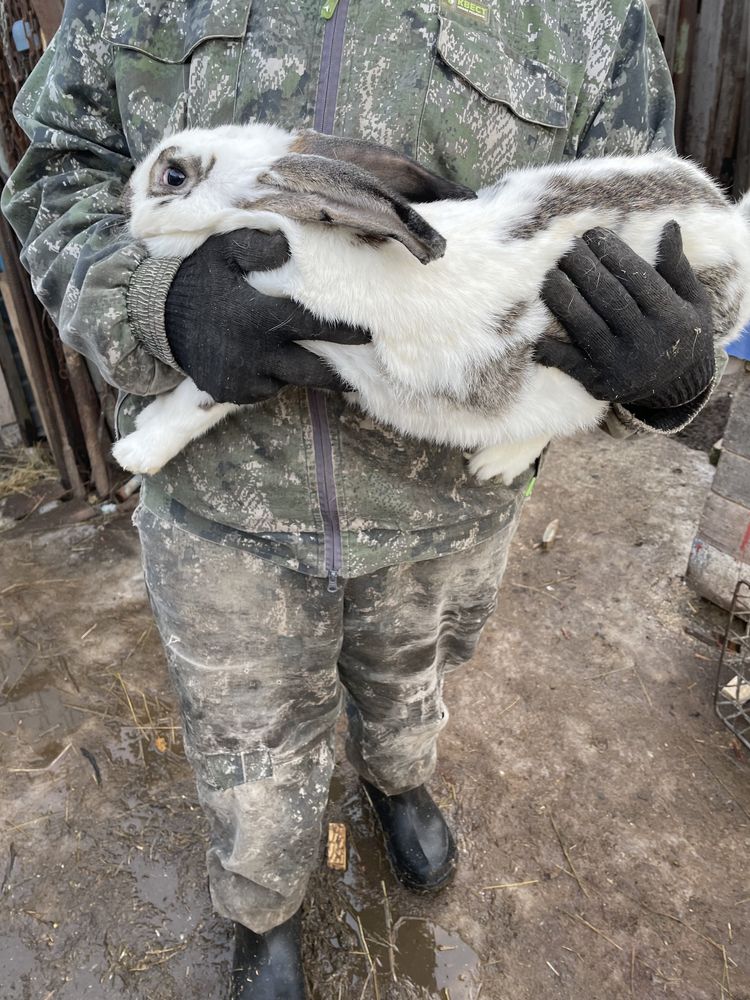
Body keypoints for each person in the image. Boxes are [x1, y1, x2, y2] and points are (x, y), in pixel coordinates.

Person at [2, 1, 718, 996]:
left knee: (412, 673)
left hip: (444, 503)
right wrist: (156, 298)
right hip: (225, 506)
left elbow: (645, 229)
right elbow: (60, 171)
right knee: (245, 725)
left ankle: (398, 779)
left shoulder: (593, 15)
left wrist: (668, 376)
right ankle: (266, 905)